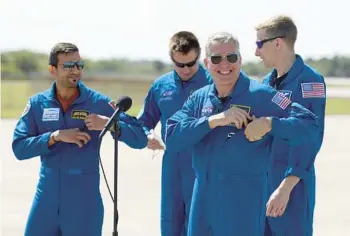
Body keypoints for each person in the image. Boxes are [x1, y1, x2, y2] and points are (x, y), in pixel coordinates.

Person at [165, 32, 320, 236]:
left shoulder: (264, 96)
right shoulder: (199, 99)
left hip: (243, 201)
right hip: (202, 198)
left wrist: (269, 124)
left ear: (240, 59)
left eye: (231, 57)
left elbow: (309, 126)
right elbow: (172, 135)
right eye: (216, 58)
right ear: (206, 63)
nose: (224, 64)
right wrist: (214, 121)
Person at [12, 42, 148, 236]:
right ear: (52, 69)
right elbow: (19, 147)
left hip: (84, 203)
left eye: (79, 65)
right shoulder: (37, 104)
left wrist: (110, 124)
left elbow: (140, 138)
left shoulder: (98, 102)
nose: (75, 70)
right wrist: (54, 136)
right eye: (68, 66)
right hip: (46, 200)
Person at [254, 15, 326, 236]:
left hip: (292, 187)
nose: (256, 52)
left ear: (277, 43)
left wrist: (285, 188)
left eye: (259, 44)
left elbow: (311, 138)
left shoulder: (310, 82)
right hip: (264, 184)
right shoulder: (266, 83)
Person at [136, 31, 212, 236]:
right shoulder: (160, 86)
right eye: (180, 65)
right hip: (173, 164)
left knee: (202, 223)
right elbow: (144, 121)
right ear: (171, 59)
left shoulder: (214, 83)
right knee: (171, 221)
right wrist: (147, 135)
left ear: (200, 56)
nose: (186, 70)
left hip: (205, 163)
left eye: (191, 63)